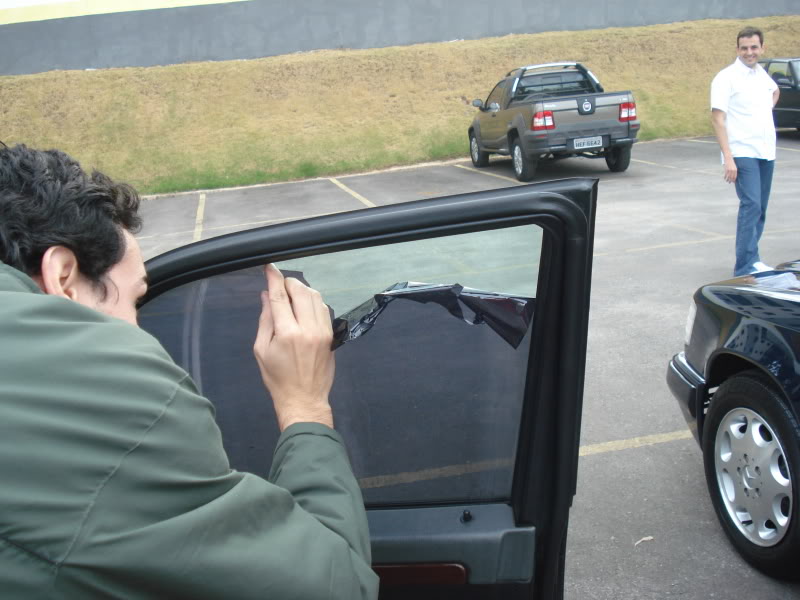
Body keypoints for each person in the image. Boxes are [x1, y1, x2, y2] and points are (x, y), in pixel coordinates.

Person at [0, 143, 379, 599]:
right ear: (63, 278)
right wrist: (305, 405)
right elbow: (336, 589)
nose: (142, 328)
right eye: (136, 299)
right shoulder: (107, 398)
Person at [710, 25, 780, 277]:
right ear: (737, 49)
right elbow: (718, 119)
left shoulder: (761, 74)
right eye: (744, 48)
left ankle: (754, 257)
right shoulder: (726, 77)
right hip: (741, 151)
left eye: (754, 47)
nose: (749, 52)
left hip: (765, 150)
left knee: (760, 206)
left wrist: (762, 113)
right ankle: (745, 265)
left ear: (762, 48)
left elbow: (775, 91)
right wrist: (728, 157)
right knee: (751, 204)